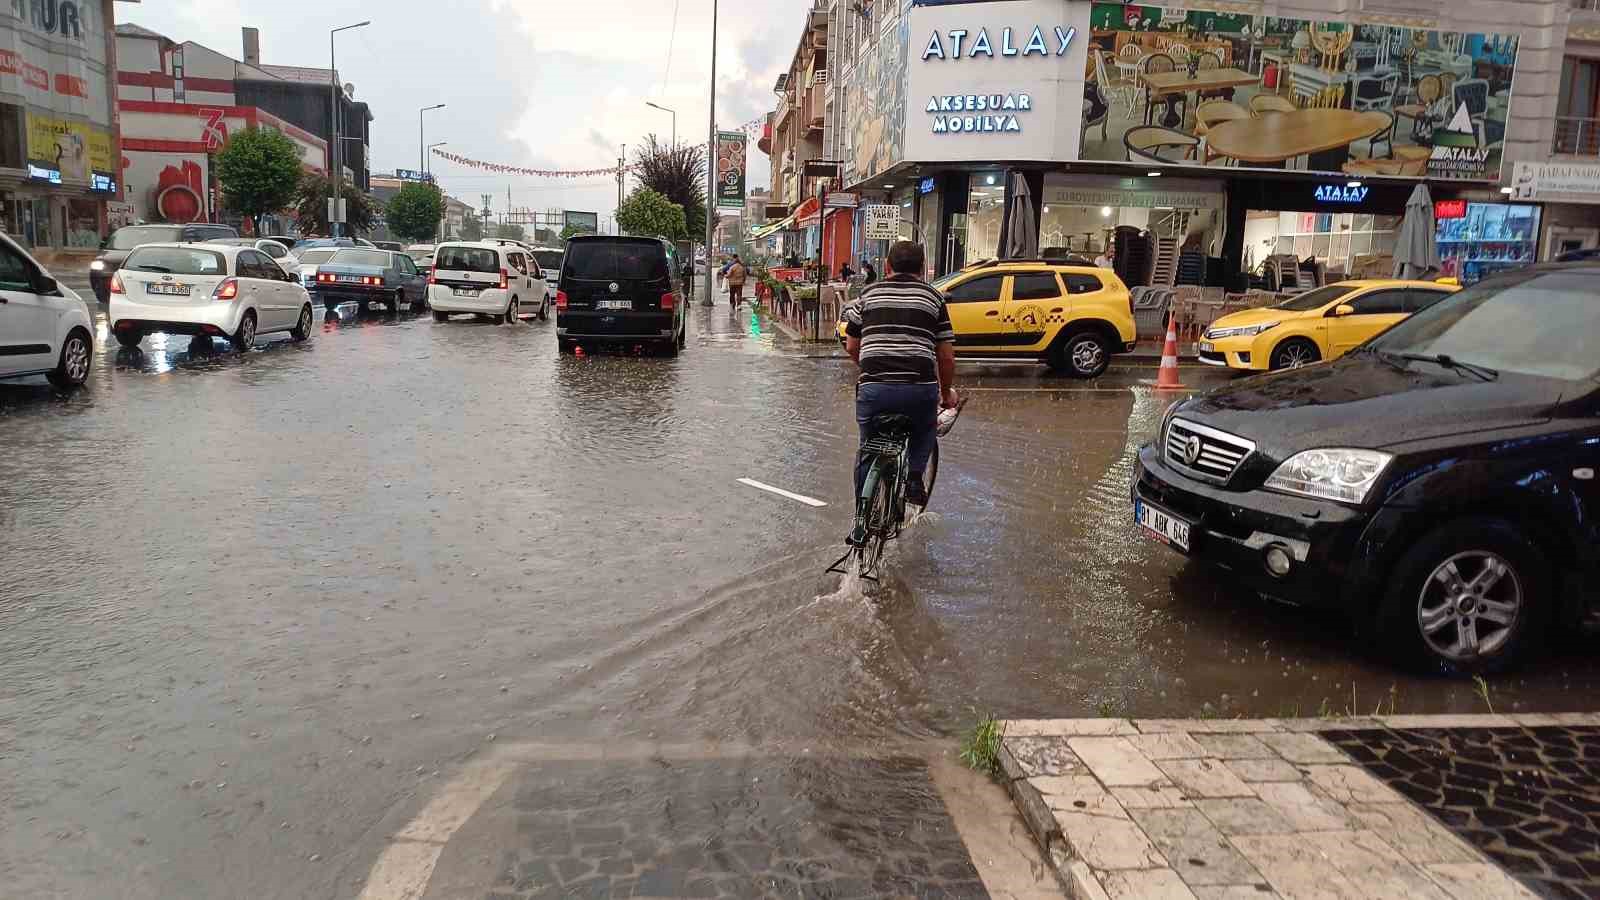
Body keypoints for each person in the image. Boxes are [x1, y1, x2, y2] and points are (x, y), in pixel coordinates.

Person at [842, 241, 958, 540]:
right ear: (922, 269)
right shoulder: (933, 298)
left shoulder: (866, 295)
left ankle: (860, 519)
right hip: (918, 389)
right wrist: (946, 394)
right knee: (926, 427)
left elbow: (852, 345)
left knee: (868, 448)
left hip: (874, 390)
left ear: (887, 267)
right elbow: (945, 356)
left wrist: (870, 370)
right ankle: (915, 477)